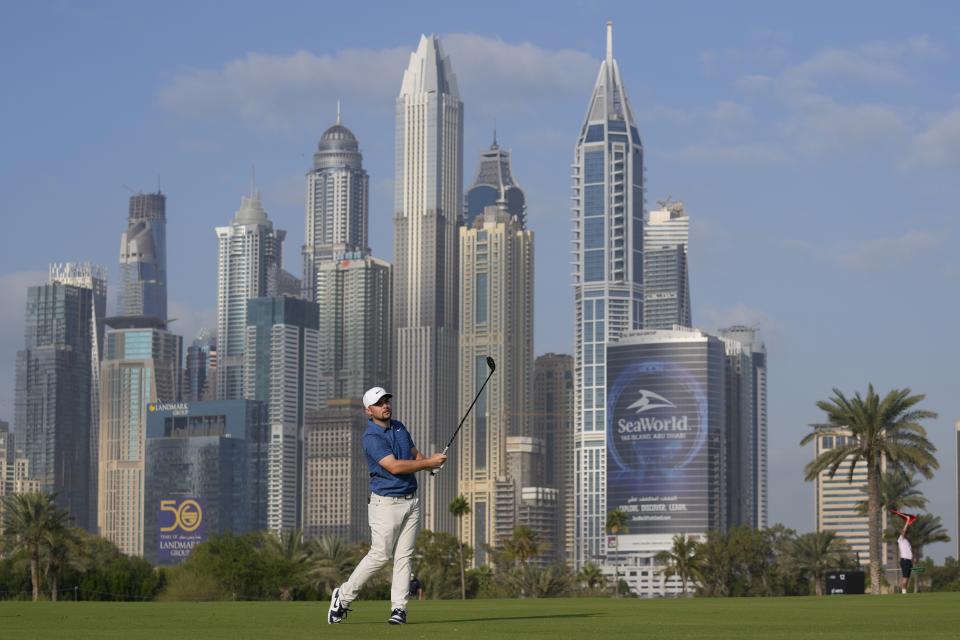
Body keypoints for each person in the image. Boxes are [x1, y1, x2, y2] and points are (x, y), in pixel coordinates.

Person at [327, 387, 446, 625]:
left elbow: (414, 455)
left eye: (386, 401)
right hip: (385, 504)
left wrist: (429, 463)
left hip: (411, 501)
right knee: (380, 555)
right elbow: (394, 467)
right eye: (379, 403)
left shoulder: (400, 427)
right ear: (368, 410)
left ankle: (399, 609)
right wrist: (428, 464)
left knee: (405, 557)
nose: (385, 406)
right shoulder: (371, 437)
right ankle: (343, 596)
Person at [897, 518, 914, 594]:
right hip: (905, 560)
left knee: (907, 577)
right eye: (903, 532)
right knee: (905, 577)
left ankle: (904, 591)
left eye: (905, 532)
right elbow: (904, 529)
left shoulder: (907, 541)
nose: (904, 532)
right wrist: (907, 520)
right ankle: (903, 592)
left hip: (909, 561)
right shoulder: (900, 539)